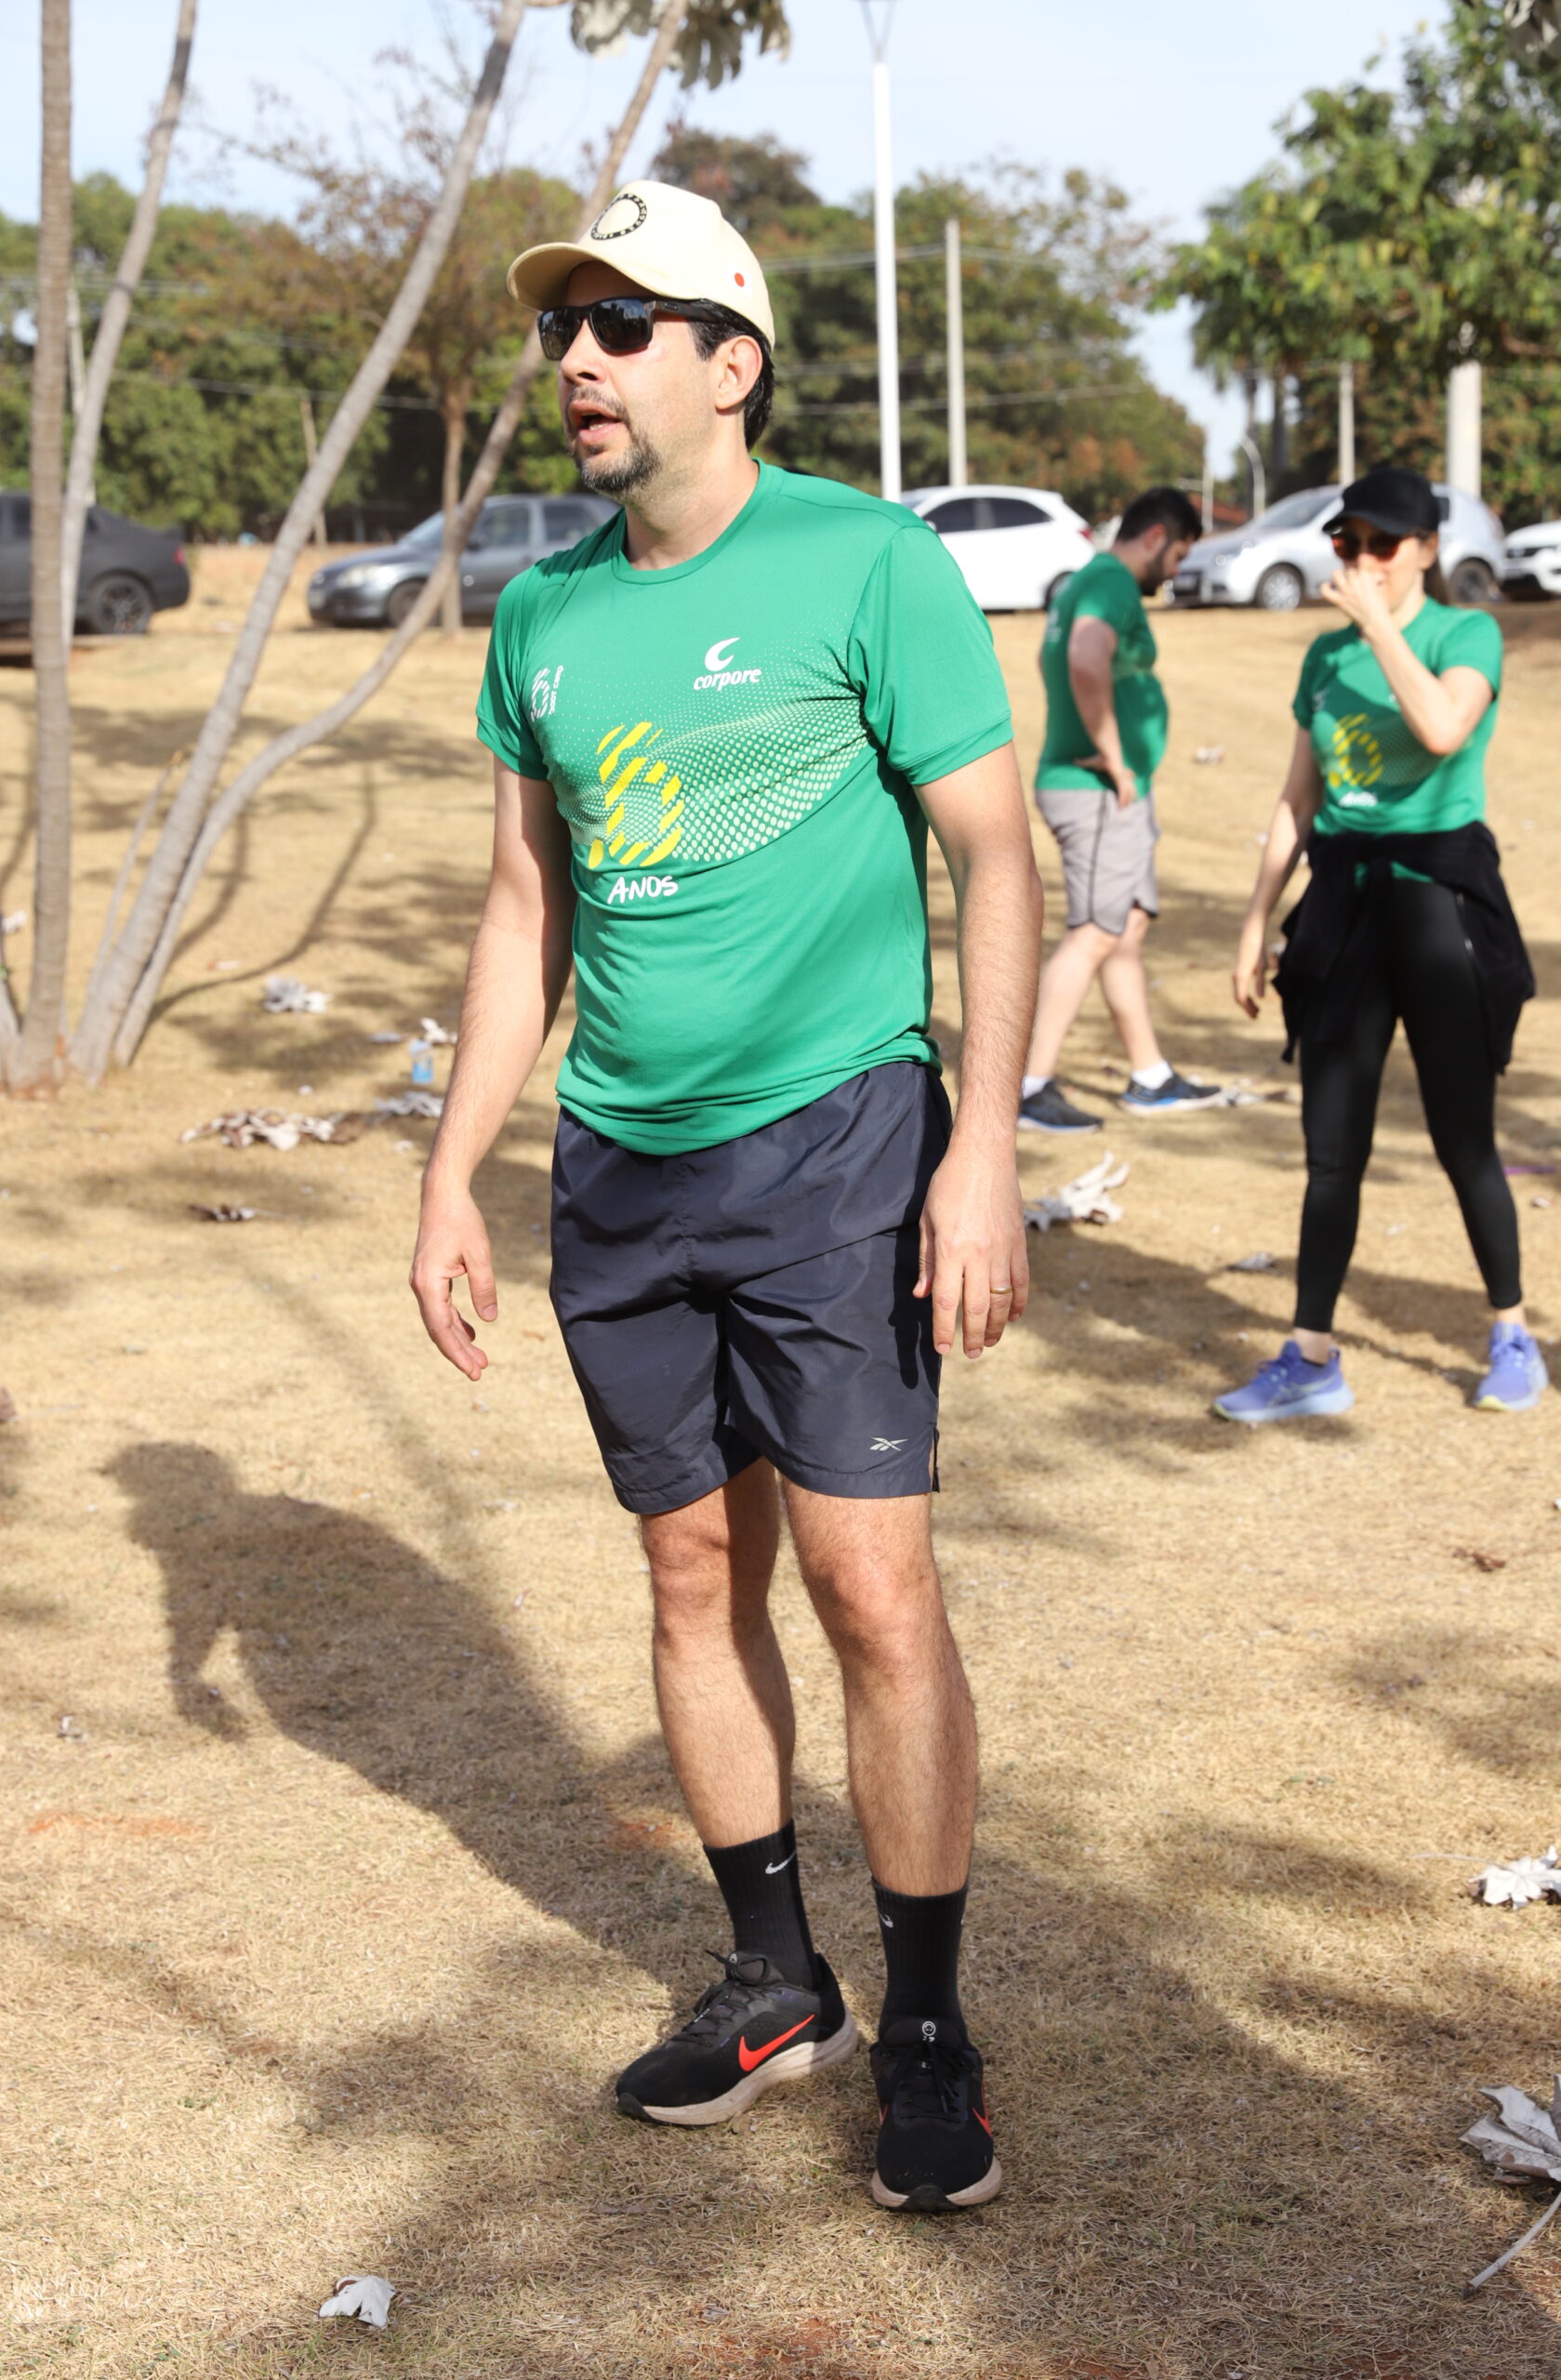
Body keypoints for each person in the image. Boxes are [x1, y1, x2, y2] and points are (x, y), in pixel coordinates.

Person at [407, 181, 1042, 2212]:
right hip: (621, 1164)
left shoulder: (867, 562)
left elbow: (997, 856)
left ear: (732, 360)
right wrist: (451, 1171)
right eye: (563, 327)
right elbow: (525, 910)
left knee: (871, 1589)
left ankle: (925, 2023)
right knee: (692, 1575)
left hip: (834, 1138)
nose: (578, 361)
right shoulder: (540, 615)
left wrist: (981, 1145)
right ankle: (779, 1984)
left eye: (624, 323)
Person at [1217, 463, 1543, 1423]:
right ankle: (1311, 1357)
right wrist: (1254, 920)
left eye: (1380, 544)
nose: (1359, 559)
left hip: (1439, 902)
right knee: (1330, 1149)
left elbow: (1441, 728)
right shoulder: (1322, 658)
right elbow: (1296, 797)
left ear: (1426, 550)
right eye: (1345, 542)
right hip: (1342, 906)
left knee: (1461, 1138)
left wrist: (1378, 626)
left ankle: (1511, 1334)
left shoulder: (1463, 633)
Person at [1017, 485, 1219, 1133]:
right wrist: (1112, 753)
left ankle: (1149, 1077)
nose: (1177, 571)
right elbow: (1084, 657)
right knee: (1096, 933)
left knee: (1123, 927)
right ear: (1156, 537)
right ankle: (1027, 1087)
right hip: (1097, 790)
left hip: (1098, 789)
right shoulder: (1110, 583)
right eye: (1179, 554)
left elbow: (1054, 656)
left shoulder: (1085, 580)